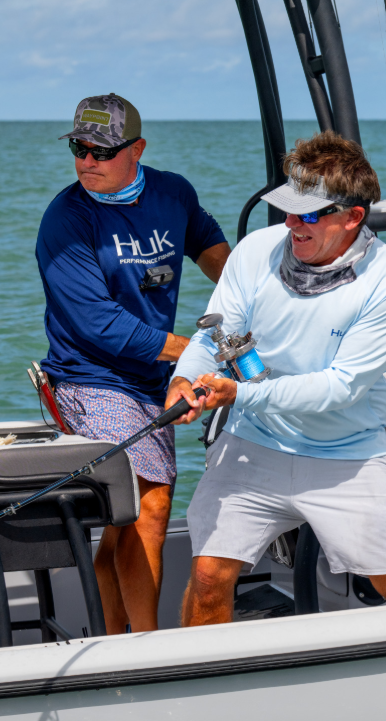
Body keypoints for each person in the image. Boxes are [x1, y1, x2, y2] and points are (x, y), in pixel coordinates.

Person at [166, 130, 386, 627]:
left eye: (309, 215)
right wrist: (185, 378)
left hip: (346, 455)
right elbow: (214, 336)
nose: (292, 224)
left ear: (352, 218)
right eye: (289, 210)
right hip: (254, 445)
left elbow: (341, 387)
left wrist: (239, 393)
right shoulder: (256, 251)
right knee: (209, 576)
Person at [36, 93, 230, 634]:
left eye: (101, 151)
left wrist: (261, 306)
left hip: (151, 378)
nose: (86, 162)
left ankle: (114, 637)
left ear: (137, 149)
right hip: (91, 376)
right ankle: (148, 646)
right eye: (79, 148)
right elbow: (101, 325)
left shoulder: (174, 193)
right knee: (151, 504)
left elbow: (215, 253)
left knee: (124, 523)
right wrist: (193, 352)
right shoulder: (65, 219)